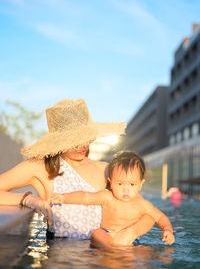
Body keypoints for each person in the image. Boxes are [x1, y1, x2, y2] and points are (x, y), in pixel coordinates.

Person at [0, 98, 155, 245]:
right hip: (63, 256)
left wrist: (132, 232)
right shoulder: (39, 167)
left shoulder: (105, 170)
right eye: (74, 140)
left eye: (85, 137)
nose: (82, 145)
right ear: (58, 141)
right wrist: (28, 199)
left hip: (103, 255)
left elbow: (146, 211)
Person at [49, 151, 175, 247]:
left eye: (132, 184)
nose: (126, 189)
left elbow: (160, 217)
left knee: (145, 250)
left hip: (131, 239)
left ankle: (121, 252)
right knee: (96, 234)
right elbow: (86, 197)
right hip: (107, 234)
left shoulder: (143, 204)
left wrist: (167, 229)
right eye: (120, 184)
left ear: (141, 184)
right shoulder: (107, 197)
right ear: (111, 182)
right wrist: (64, 197)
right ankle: (111, 249)